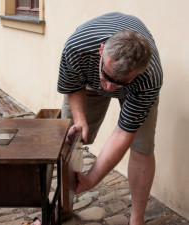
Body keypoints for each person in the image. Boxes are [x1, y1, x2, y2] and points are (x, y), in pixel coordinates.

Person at [57, 12, 163, 225]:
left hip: (135, 89)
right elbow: (73, 86)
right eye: (108, 77)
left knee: (142, 147)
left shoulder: (149, 77)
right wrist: (79, 119)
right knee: (68, 141)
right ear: (102, 50)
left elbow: (123, 134)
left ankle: (137, 218)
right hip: (87, 79)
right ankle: (62, 206)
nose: (110, 88)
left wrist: (92, 180)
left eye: (119, 83)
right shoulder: (76, 47)